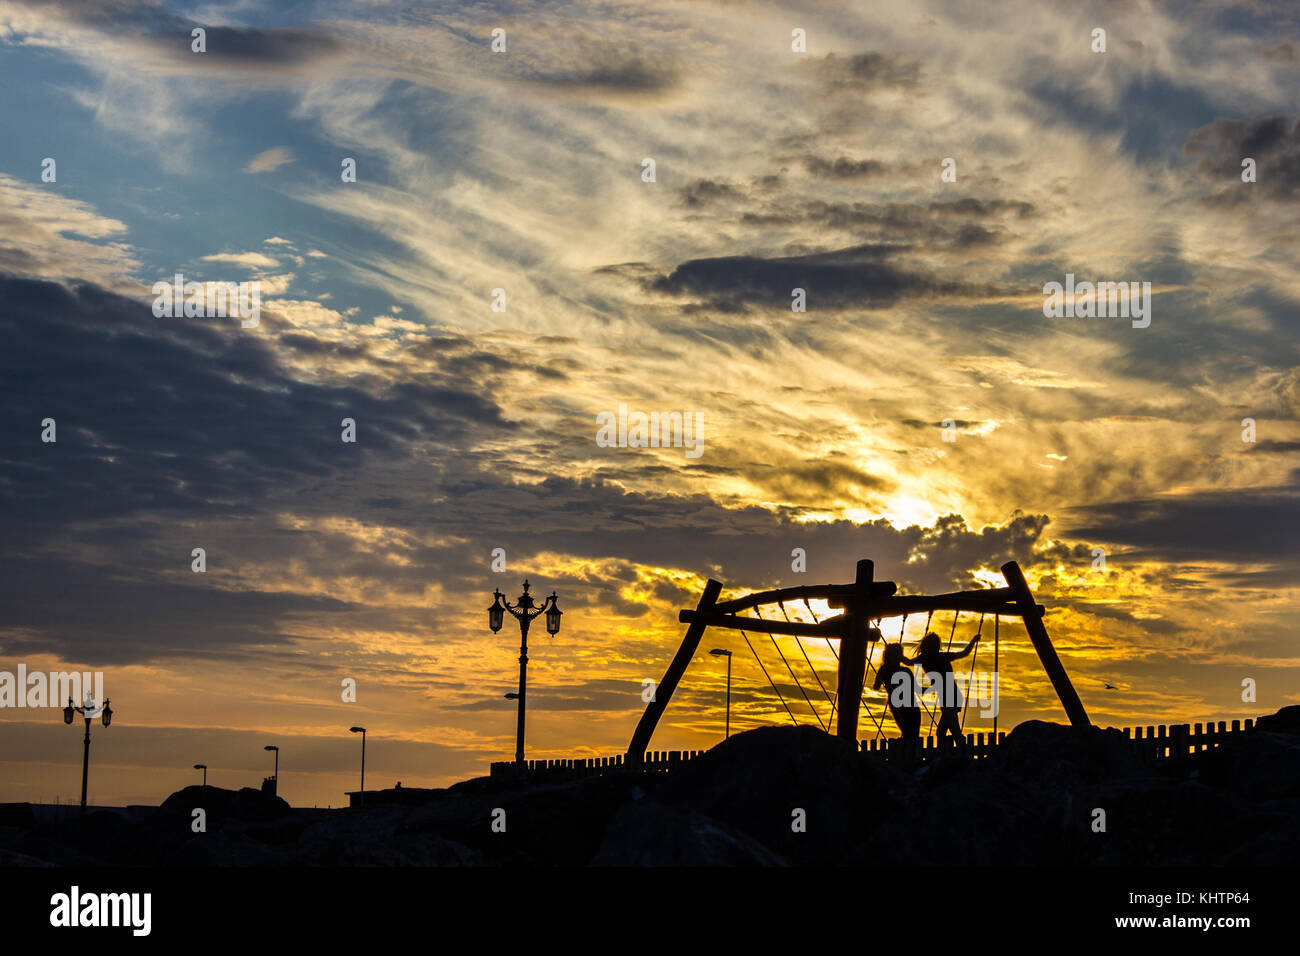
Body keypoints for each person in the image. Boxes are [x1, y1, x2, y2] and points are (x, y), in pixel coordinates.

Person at [910, 631, 979, 752]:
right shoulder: (940, 657)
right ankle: (953, 753)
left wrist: (898, 656)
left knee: (951, 730)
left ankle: (960, 753)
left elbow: (908, 662)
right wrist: (973, 641)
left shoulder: (924, 659)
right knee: (942, 731)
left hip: (950, 698)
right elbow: (964, 653)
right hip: (951, 696)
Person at [873, 640, 921, 758]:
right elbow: (876, 686)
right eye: (897, 654)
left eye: (899, 654)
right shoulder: (894, 670)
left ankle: (909, 758)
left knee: (911, 735)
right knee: (909, 734)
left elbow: (876, 687)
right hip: (902, 705)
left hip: (908, 705)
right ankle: (909, 758)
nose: (898, 657)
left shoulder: (887, 670)